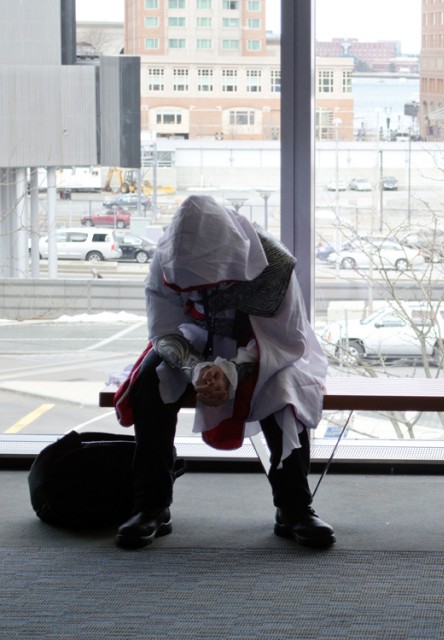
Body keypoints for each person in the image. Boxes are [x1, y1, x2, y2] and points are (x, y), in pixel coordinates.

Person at [112, 195, 335, 550]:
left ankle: (294, 508)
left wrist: (232, 370)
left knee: (285, 393)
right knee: (148, 385)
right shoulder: (165, 260)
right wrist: (197, 368)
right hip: (195, 340)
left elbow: (287, 338)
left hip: (266, 346)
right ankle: (151, 506)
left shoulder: (274, 266)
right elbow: (163, 330)